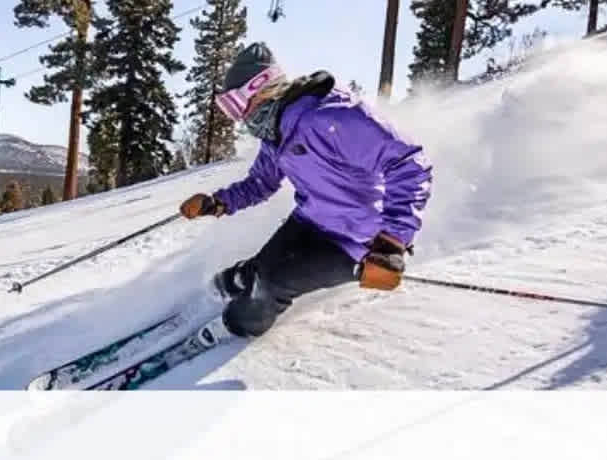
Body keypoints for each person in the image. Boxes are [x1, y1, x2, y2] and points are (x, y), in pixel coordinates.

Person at [179, 42, 433, 340]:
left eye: (236, 105)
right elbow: (261, 182)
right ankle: (246, 275)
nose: (238, 118)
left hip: (358, 239)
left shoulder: (333, 118)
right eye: (228, 108)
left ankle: (237, 326)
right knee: (267, 263)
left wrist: (391, 244)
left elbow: (410, 164)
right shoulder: (277, 132)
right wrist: (217, 202)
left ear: (263, 88)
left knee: (272, 284)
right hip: (312, 221)